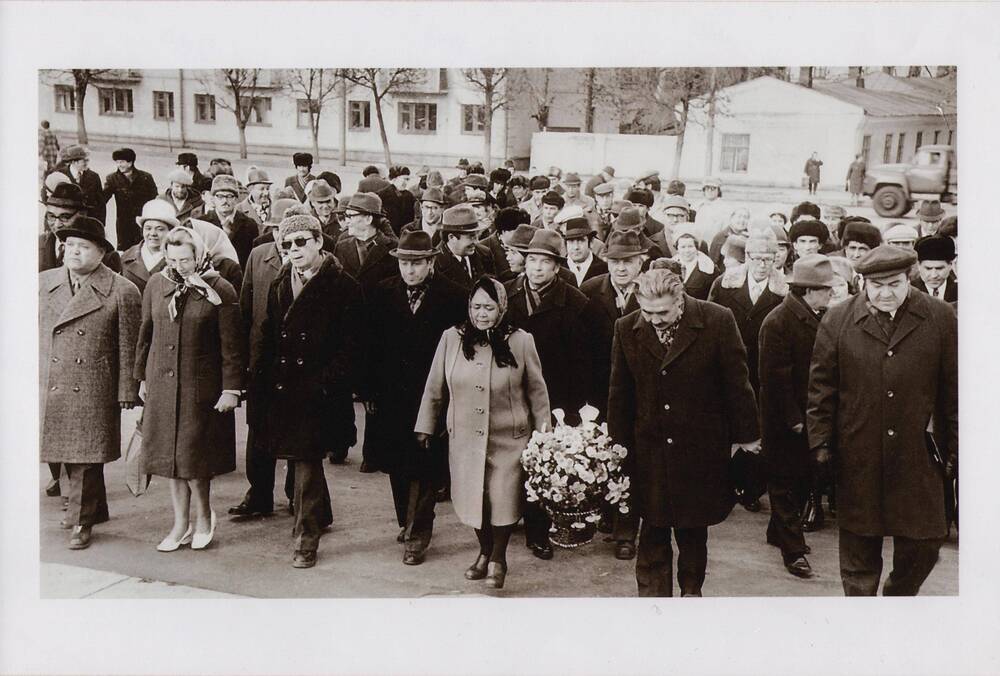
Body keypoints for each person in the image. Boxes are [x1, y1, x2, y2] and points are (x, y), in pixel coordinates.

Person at [808, 245, 957, 595]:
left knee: (924, 546)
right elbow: (821, 388)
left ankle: (897, 598)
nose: (885, 293)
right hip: (859, 455)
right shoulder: (839, 319)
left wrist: (957, 449)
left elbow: (956, 389)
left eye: (894, 284)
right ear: (863, 283)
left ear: (910, 278)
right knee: (859, 557)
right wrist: (820, 444)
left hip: (919, 457)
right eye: (877, 285)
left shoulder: (940, 317)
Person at [608, 267, 760, 596]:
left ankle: (692, 596)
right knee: (652, 533)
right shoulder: (626, 328)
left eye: (662, 312)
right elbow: (620, 395)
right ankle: (655, 607)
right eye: (647, 311)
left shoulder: (717, 320)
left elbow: (738, 384)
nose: (654, 319)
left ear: (681, 300)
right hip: (649, 451)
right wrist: (616, 450)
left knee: (693, 533)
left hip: (699, 451)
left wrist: (749, 439)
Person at [415, 277, 550, 589]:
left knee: (502, 498)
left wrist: (544, 438)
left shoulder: (521, 340)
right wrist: (425, 425)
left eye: (489, 307)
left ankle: (498, 558)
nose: (482, 313)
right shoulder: (452, 338)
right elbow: (435, 386)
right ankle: (484, 551)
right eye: (476, 306)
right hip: (464, 438)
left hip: (509, 438)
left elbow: (537, 393)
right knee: (474, 498)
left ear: (501, 307)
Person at [253, 214, 364, 568]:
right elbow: (269, 334)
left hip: (319, 393)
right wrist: (262, 378)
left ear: (319, 241)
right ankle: (321, 514)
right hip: (284, 387)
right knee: (302, 459)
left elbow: (352, 348)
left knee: (304, 462)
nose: (294, 250)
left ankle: (305, 540)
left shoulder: (344, 286)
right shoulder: (280, 283)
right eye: (287, 244)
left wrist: (324, 383)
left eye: (301, 242)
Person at [134, 226, 243, 552]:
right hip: (162, 389)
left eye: (186, 259)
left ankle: (204, 517)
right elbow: (146, 334)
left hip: (201, 391)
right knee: (170, 461)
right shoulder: (157, 285)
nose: (179, 266)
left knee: (195, 462)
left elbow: (232, 346)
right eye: (172, 258)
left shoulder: (219, 289)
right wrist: (141, 377)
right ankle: (180, 523)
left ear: (199, 256)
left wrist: (232, 389)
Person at [39, 216, 141, 549]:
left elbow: (129, 345)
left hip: (94, 385)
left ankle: (81, 520)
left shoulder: (122, 290)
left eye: (83, 247)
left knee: (85, 455)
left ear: (101, 252)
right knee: (63, 453)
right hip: (51, 381)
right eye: (70, 246)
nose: (74, 253)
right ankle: (90, 509)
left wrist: (128, 390)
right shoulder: (43, 283)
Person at [366, 231, 467, 563]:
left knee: (425, 465)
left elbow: (461, 351)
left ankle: (418, 534)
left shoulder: (453, 297)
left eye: (417, 263)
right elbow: (369, 345)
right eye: (404, 264)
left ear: (431, 261)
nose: (409, 271)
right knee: (397, 463)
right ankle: (407, 522)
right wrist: (368, 390)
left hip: (433, 394)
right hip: (392, 394)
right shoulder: (382, 293)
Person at [505, 229, 592, 561]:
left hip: (556, 397)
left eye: (545, 262)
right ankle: (507, 517)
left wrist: (574, 410)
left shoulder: (576, 302)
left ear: (558, 267)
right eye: (531, 260)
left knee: (543, 462)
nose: (536, 268)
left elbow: (583, 363)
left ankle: (538, 532)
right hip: (511, 392)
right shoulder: (509, 295)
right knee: (509, 458)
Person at [758, 254, 837, 579]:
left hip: (808, 416)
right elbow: (774, 378)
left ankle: (778, 531)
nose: (831, 295)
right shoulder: (778, 322)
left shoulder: (814, 315)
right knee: (784, 484)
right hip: (785, 420)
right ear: (809, 291)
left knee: (803, 478)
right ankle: (793, 551)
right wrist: (795, 420)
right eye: (826, 290)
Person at [579, 230, 648, 559]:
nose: (621, 268)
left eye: (629, 261)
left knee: (631, 460)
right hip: (597, 389)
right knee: (601, 455)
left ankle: (626, 532)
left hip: (639, 392)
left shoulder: (651, 291)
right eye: (615, 261)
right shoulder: (591, 291)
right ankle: (606, 514)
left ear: (641, 262)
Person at [708, 227, 786, 397]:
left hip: (766, 368)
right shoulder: (724, 284)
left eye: (768, 259)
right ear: (747, 257)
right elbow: (709, 325)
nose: (762, 265)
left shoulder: (785, 291)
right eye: (757, 258)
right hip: (728, 363)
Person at [39, 182, 122, 276]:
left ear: (82, 214)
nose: (57, 224)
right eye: (51, 216)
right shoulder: (38, 243)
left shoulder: (105, 255)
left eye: (65, 217)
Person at [120, 200, 180, 293]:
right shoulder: (126, 257)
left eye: (160, 229)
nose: (152, 233)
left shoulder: (178, 259)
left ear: (170, 231)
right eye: (148, 228)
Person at [202, 174, 260, 270]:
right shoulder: (203, 223)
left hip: (240, 279)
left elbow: (253, 260)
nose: (225, 201)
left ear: (236, 199)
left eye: (229, 196)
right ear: (213, 199)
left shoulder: (249, 225)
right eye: (220, 196)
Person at [434, 205, 494, 291]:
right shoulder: (435, 264)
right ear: (452, 237)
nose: (476, 242)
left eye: (477, 235)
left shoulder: (485, 254)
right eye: (471, 237)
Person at [52, 145, 106, 226]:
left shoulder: (94, 177)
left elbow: (100, 203)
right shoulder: (59, 175)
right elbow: (48, 199)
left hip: (87, 223)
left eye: (87, 160)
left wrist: (100, 224)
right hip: (64, 223)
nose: (87, 163)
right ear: (74, 162)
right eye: (84, 161)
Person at [671, 226, 718, 301]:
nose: (687, 251)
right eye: (683, 247)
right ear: (677, 249)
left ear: (697, 248)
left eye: (690, 246)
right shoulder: (669, 267)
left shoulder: (709, 269)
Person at [561, 217, 607, 286]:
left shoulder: (604, 269)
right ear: (566, 244)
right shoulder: (558, 270)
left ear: (591, 243)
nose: (576, 247)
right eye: (571, 241)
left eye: (581, 240)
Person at [913, 235, 957, 302]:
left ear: (950, 265)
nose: (934, 275)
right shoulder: (907, 293)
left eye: (939, 268)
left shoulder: (961, 292)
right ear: (919, 266)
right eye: (928, 268)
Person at [693, 176, 726, 243]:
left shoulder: (724, 208)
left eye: (713, 188)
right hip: (697, 242)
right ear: (704, 191)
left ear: (718, 191)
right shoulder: (697, 206)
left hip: (715, 243)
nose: (710, 191)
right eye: (707, 188)